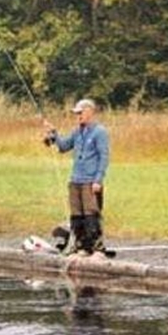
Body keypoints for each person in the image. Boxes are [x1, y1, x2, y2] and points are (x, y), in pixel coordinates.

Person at [43, 98, 109, 255]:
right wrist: (53, 133)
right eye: (76, 113)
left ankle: (93, 247)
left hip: (90, 181)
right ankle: (79, 245)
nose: (78, 116)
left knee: (91, 214)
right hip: (75, 180)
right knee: (76, 215)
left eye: (80, 113)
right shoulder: (77, 131)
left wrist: (97, 180)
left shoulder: (100, 132)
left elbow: (104, 157)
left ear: (89, 112)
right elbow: (64, 146)